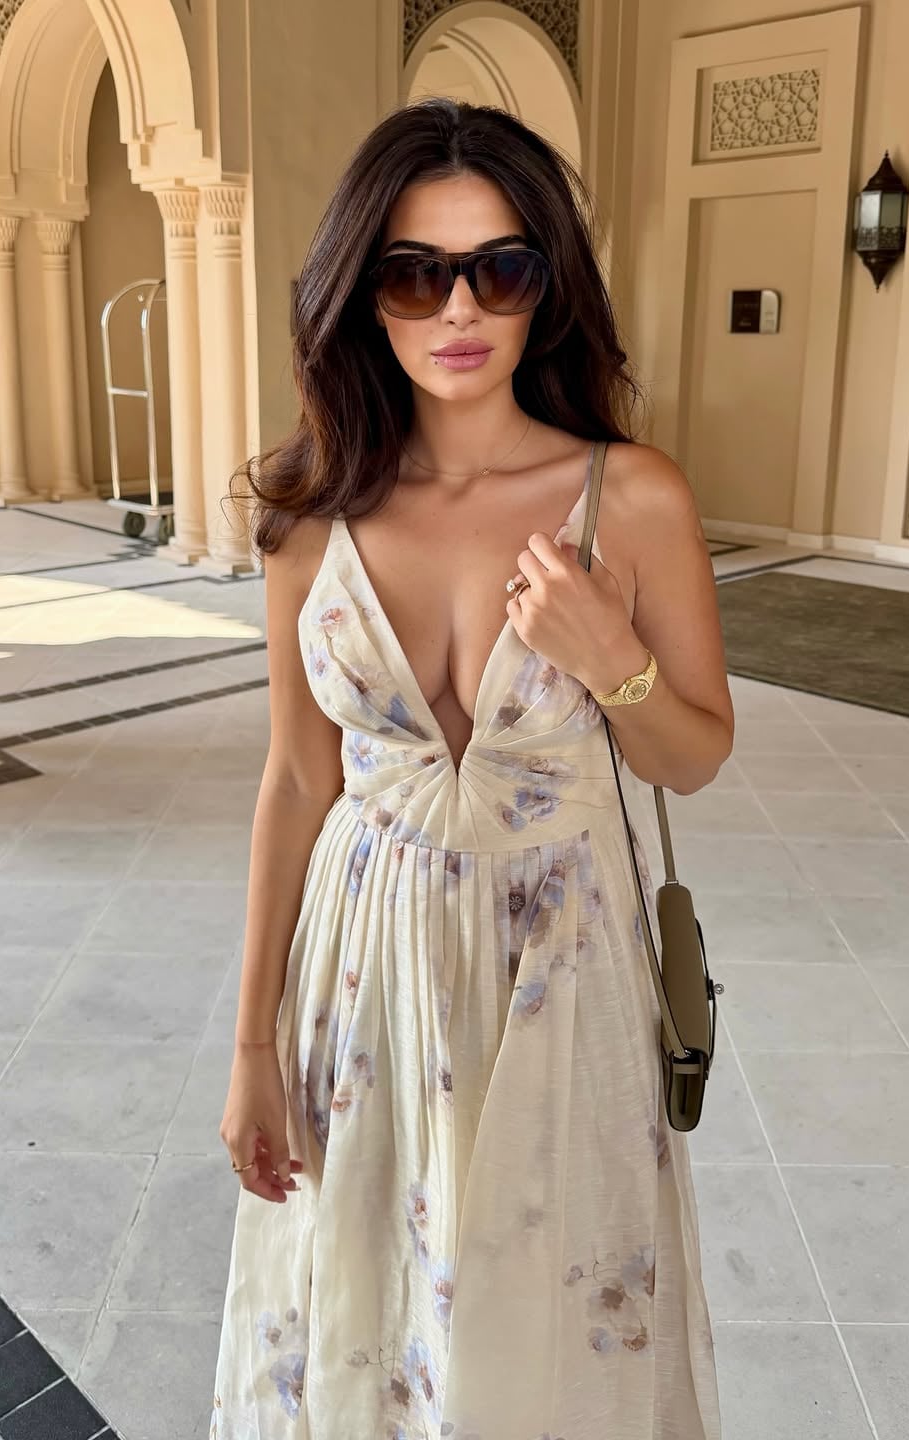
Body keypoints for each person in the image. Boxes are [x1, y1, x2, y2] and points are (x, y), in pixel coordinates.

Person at [210, 98, 732, 1440]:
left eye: (500, 268)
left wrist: (612, 656)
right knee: (372, 1321)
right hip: (363, 976)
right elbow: (296, 782)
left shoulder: (632, 496)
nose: (460, 308)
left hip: (563, 974)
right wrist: (253, 1045)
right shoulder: (307, 517)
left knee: (550, 1334)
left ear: (546, 289)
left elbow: (694, 756)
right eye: (414, 272)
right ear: (360, 294)